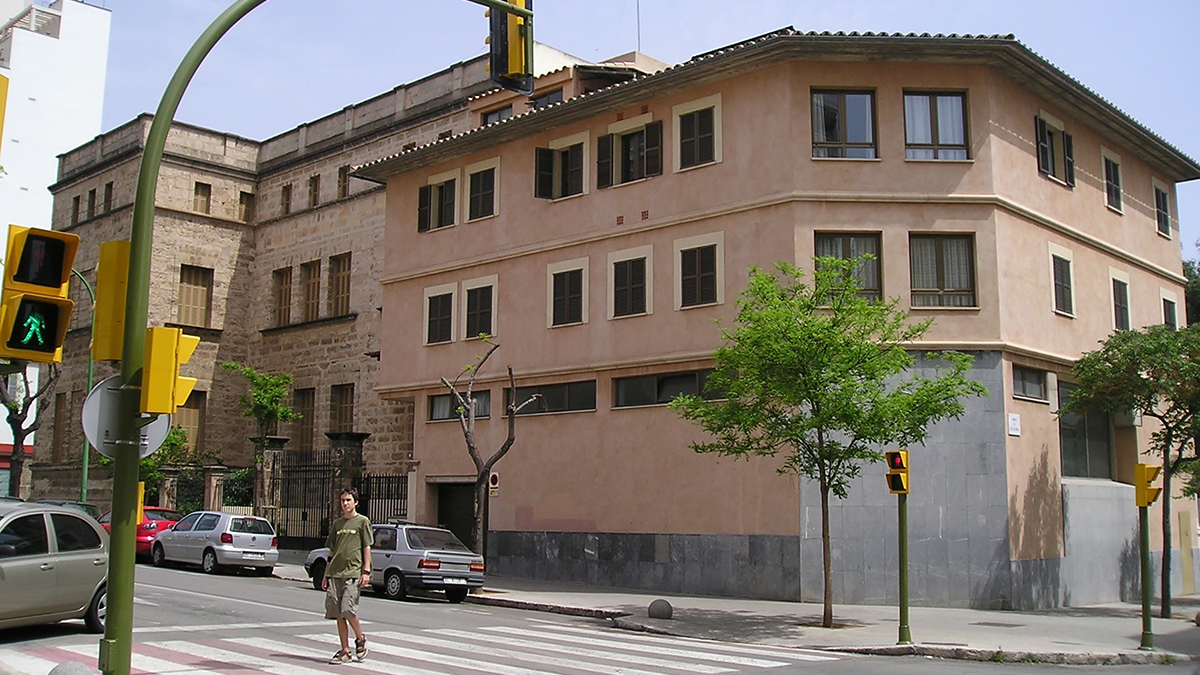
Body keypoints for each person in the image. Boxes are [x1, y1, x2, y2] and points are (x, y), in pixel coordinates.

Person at [322, 487, 373, 664]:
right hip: (336, 572)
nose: (345, 503)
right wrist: (326, 574)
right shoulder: (337, 525)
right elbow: (331, 551)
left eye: (348, 500)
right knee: (338, 613)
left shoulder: (362, 522)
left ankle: (360, 638)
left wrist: (366, 571)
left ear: (356, 502)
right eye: (343, 500)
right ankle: (345, 650)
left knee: (348, 609)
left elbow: (367, 547)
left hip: (353, 572)